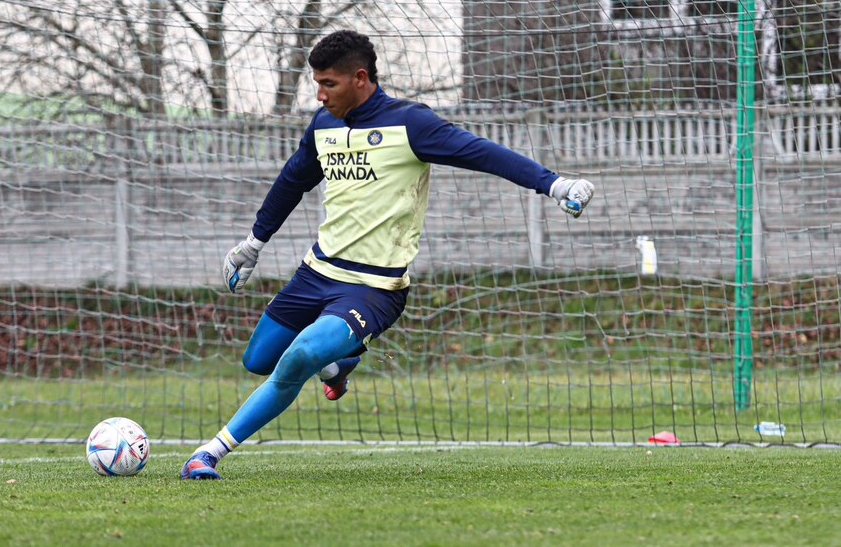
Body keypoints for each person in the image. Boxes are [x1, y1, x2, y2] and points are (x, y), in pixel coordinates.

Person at [180, 30, 594, 479]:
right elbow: (291, 183)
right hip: (315, 273)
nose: (319, 95)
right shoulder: (323, 126)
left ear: (360, 78)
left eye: (329, 84)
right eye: (316, 84)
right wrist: (253, 244)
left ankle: (209, 453)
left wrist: (554, 184)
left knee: (299, 357)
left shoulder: (410, 124)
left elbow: (483, 154)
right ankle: (339, 364)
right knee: (258, 361)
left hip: (374, 288)